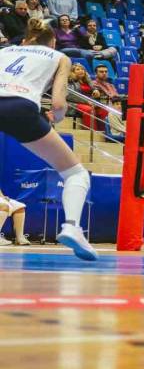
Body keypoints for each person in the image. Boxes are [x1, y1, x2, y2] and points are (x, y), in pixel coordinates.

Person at [0, 18, 96, 260]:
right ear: (53, 42)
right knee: (75, 173)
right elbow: (59, 104)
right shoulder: (59, 57)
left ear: (25, 40)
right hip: (20, 108)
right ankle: (72, 227)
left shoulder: (5, 50)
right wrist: (56, 117)